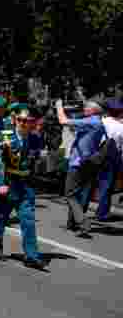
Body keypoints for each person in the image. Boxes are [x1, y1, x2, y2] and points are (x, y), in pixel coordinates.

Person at [0, 103, 46, 269]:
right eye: (21, 120)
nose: (24, 124)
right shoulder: (4, 136)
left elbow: (33, 161)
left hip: (25, 185)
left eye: (28, 121)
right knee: (0, 218)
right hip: (8, 182)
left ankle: (31, 255)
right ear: (15, 120)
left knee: (28, 220)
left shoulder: (35, 138)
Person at [56, 99, 106, 238]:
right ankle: (72, 223)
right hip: (88, 163)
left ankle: (83, 222)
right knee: (76, 193)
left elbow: (62, 121)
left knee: (69, 194)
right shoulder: (96, 122)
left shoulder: (91, 121)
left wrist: (59, 106)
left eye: (86, 108)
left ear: (93, 110)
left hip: (78, 163)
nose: (84, 109)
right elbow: (75, 129)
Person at [93, 99, 123, 222]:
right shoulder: (121, 127)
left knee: (89, 183)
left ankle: (79, 210)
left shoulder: (101, 122)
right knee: (107, 185)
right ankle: (102, 213)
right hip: (111, 159)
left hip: (95, 155)